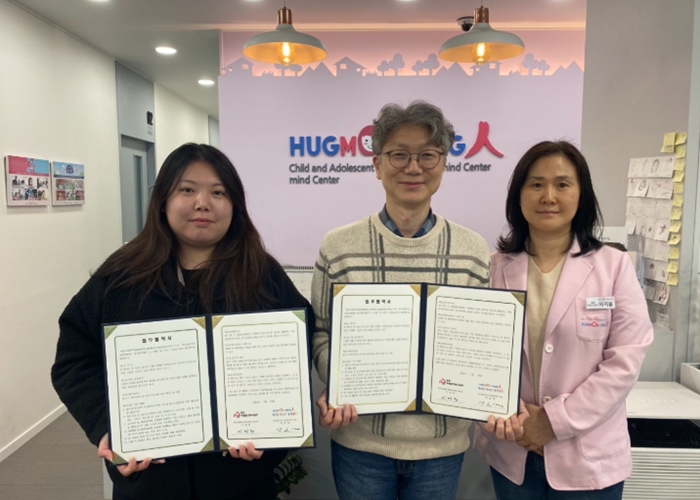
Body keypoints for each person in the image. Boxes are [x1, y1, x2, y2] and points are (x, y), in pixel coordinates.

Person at [52, 143, 313, 500]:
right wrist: (107, 426)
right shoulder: (121, 276)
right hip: (149, 482)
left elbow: (296, 351)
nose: (202, 203)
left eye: (218, 192)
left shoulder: (261, 275)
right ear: (163, 200)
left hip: (240, 482)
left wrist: (270, 437)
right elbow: (74, 360)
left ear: (235, 205)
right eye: (187, 190)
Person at [311, 101, 491, 500]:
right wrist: (338, 379)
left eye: (427, 155)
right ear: (377, 164)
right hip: (360, 442)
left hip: (440, 448)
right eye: (399, 154)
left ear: (443, 164)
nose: (413, 167)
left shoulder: (473, 251)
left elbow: (480, 345)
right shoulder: (338, 248)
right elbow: (321, 332)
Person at [475, 141, 653, 499]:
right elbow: (473, 354)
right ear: (518, 195)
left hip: (589, 457)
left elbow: (624, 362)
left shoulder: (613, 267)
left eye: (562, 184)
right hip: (513, 448)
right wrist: (510, 414)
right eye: (536, 184)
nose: (549, 197)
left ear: (581, 194)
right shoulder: (490, 268)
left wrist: (552, 423)